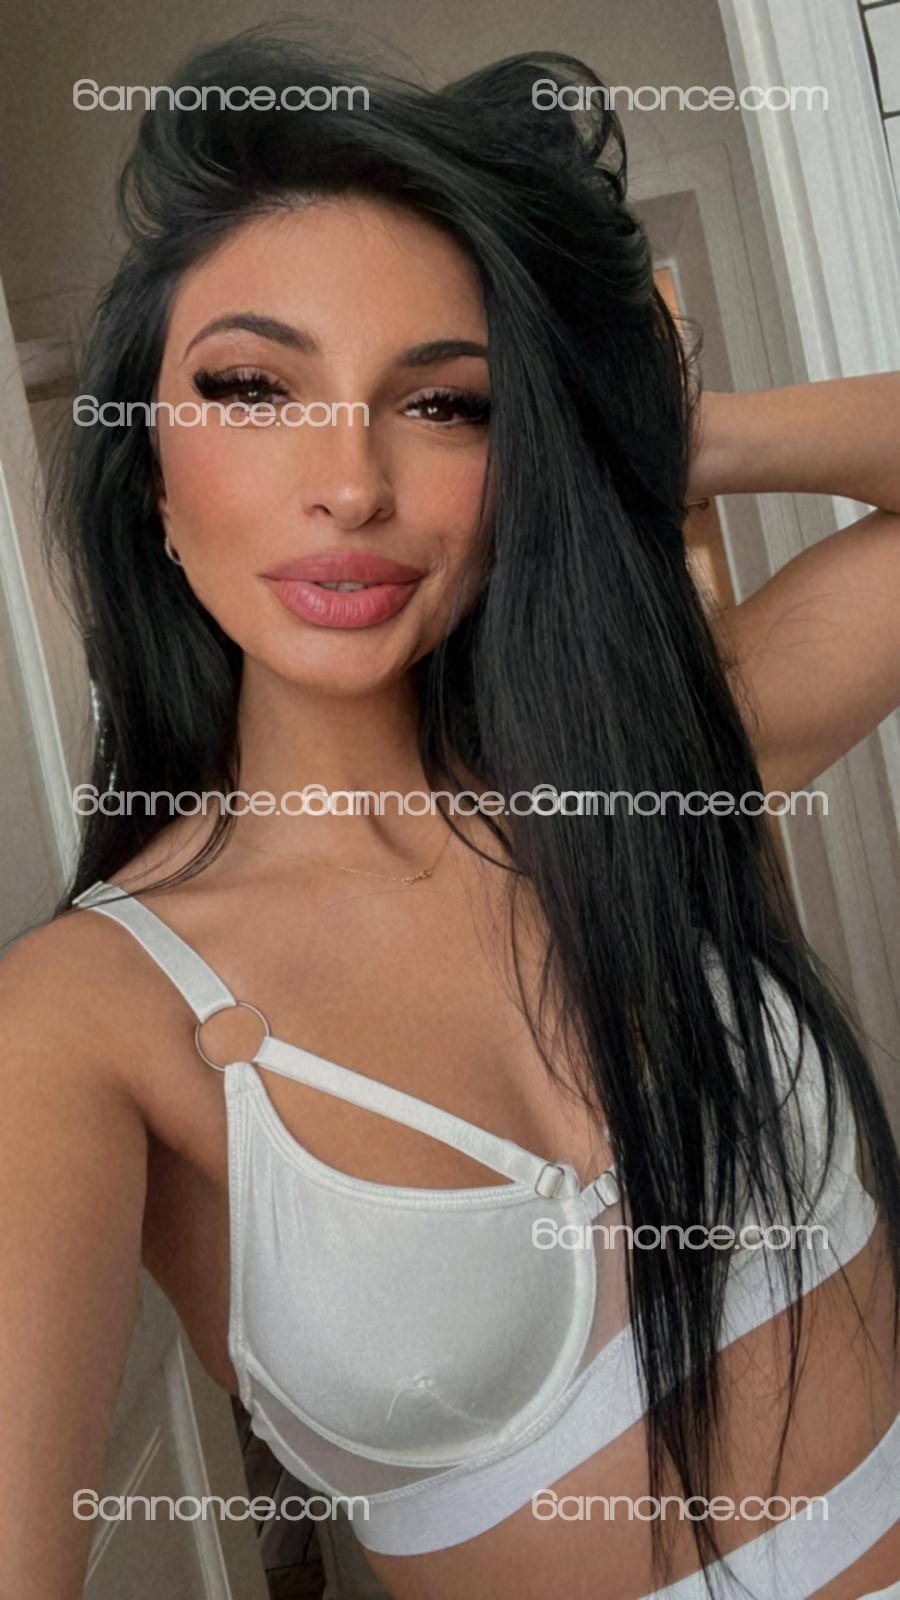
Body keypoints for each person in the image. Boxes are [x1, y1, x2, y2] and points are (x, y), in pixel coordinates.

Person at [2, 30, 898, 1600]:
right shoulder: (89, 1018)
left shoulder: (643, 773)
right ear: (149, 476)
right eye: (254, 389)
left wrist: (643, 438)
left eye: (444, 405)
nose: (352, 483)